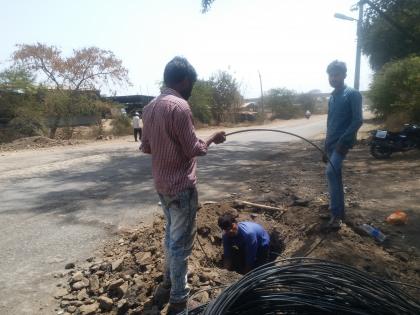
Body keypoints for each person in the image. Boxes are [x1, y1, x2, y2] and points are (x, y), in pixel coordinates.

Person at [140, 56, 226, 314]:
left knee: (170, 236)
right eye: (192, 85)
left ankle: (168, 283)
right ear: (185, 81)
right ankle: (179, 299)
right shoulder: (180, 107)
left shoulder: (149, 108)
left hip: (162, 185)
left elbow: (146, 148)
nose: (191, 90)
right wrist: (212, 138)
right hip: (181, 187)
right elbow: (193, 149)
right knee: (180, 244)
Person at [323, 60, 363, 230]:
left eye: (336, 74)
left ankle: (336, 214)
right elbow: (330, 122)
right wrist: (325, 147)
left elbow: (357, 120)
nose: (333, 78)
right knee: (336, 175)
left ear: (344, 75)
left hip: (343, 143)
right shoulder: (332, 96)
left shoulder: (352, 94)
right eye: (331, 75)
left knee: (331, 172)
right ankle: (340, 212)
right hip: (331, 144)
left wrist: (343, 142)